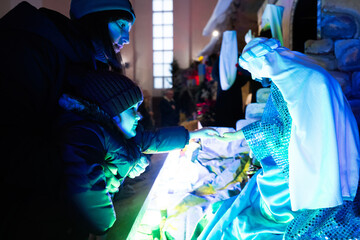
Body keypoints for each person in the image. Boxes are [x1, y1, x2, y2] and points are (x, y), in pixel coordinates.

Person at [194, 38, 360, 239]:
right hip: (319, 154)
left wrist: (242, 134)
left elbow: (282, 132)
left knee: (266, 199)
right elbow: (288, 127)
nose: (255, 77)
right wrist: (242, 134)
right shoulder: (302, 76)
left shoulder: (295, 82)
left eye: (253, 70)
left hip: (304, 163)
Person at [0, 0, 135, 239]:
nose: (126, 39)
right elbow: (11, 148)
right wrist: (92, 166)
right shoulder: (30, 49)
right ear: (94, 16)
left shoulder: (81, 60)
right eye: (121, 24)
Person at [57, 69, 219, 239]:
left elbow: (151, 139)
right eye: (132, 109)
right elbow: (86, 191)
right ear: (113, 110)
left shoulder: (113, 132)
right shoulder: (84, 134)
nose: (139, 116)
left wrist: (192, 135)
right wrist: (107, 219)